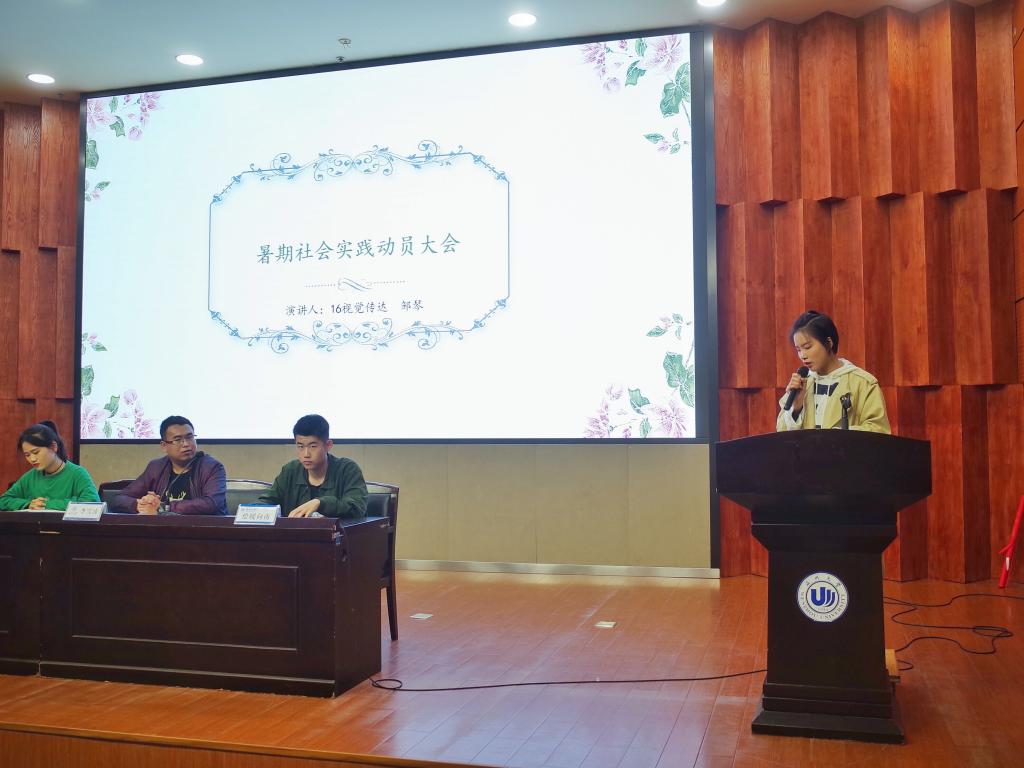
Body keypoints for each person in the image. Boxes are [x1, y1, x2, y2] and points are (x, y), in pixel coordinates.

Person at [777, 310, 891, 434]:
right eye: (798, 350)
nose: (802, 355)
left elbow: (879, 430)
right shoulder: (800, 384)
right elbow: (781, 435)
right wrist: (796, 408)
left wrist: (837, 436)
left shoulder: (863, 383)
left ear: (829, 342)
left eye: (807, 347)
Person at [108, 416, 228, 515]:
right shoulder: (156, 468)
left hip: (201, 531)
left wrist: (163, 507)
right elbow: (118, 499)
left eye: (190, 437)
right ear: (164, 446)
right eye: (178, 440)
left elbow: (211, 504)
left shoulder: (212, 467)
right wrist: (140, 504)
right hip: (162, 532)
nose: (186, 444)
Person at [259, 414, 367, 518]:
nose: (306, 454)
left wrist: (320, 503)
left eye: (313, 446)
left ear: (328, 445)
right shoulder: (290, 470)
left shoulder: (347, 469)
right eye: (300, 446)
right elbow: (268, 501)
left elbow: (357, 507)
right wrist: (256, 510)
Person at [0, 421, 100, 511]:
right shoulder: (30, 477)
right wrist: (28, 504)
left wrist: (45, 504)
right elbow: (3, 500)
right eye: (27, 455)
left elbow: (92, 504)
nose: (32, 459)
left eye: (36, 452)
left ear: (53, 447)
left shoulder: (78, 474)